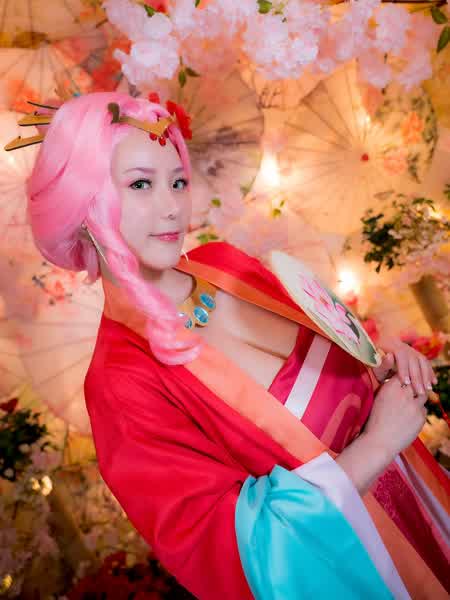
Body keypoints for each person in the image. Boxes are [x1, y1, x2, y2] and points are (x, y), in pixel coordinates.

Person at [24, 91, 449, 599]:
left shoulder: (224, 265)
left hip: (423, 503)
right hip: (367, 564)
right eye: (140, 184)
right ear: (82, 205)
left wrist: (377, 373)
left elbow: (326, 385)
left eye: (177, 181)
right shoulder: (120, 382)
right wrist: (378, 444)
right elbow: (237, 554)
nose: (172, 206)